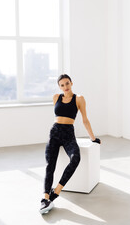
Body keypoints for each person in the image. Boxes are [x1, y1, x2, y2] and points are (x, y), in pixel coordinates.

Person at [39, 74, 101, 214]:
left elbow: (85, 120)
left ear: (71, 83)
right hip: (54, 133)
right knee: (50, 164)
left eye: (67, 83)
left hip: (68, 134)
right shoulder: (56, 97)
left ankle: (56, 191)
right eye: (62, 85)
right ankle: (45, 198)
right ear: (59, 87)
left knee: (76, 158)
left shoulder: (79, 99)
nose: (65, 87)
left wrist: (93, 138)